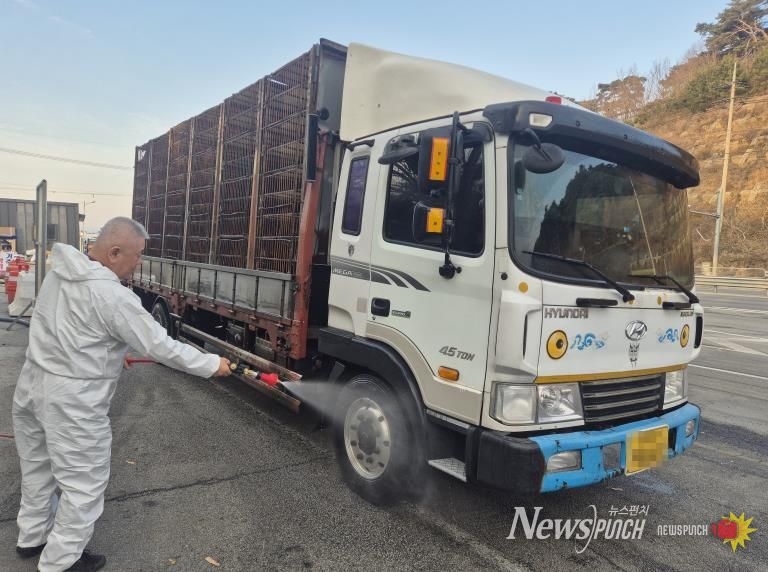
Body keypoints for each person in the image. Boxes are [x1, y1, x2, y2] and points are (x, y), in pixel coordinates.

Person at [12, 217, 231, 572]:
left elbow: (62, 326)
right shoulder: (112, 294)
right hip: (73, 401)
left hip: (32, 386)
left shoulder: (59, 274)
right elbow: (162, 345)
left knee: (37, 469)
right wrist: (211, 365)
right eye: (138, 255)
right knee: (84, 486)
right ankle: (60, 563)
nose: (139, 263)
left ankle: (32, 537)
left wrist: (111, 353)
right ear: (115, 253)